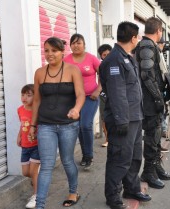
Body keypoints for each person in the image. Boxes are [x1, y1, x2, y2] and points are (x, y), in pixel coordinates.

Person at [100, 21, 151, 209]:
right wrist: (121, 120)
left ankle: (131, 187)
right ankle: (112, 196)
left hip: (135, 117)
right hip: (124, 120)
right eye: (137, 36)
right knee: (120, 158)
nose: (138, 40)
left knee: (135, 156)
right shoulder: (114, 60)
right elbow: (116, 92)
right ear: (133, 38)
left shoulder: (127, 57)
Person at [29, 37, 85, 209]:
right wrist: (32, 125)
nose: (50, 54)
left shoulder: (73, 70)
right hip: (46, 125)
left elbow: (81, 94)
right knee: (46, 165)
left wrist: (76, 109)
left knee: (67, 160)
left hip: (68, 124)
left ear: (62, 52)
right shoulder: (39, 72)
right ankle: (40, 205)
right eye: (46, 50)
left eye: (54, 50)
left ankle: (73, 191)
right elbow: (37, 101)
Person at [134, 17, 170, 190]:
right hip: (149, 100)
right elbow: (147, 76)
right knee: (151, 136)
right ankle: (148, 172)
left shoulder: (150, 45)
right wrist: (158, 98)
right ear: (159, 31)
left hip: (153, 98)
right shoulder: (147, 46)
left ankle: (155, 167)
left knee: (156, 134)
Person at [63, 33, 101, 170]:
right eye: (73, 43)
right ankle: (85, 155)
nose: (76, 45)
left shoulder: (92, 58)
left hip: (91, 98)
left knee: (86, 125)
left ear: (84, 45)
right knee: (78, 126)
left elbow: (103, 74)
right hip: (73, 99)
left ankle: (88, 155)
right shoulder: (66, 60)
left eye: (79, 43)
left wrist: (98, 91)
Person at [17, 84, 40, 209]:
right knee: (26, 173)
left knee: (33, 172)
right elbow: (22, 125)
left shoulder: (38, 111)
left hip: (36, 145)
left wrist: (37, 137)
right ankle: (38, 182)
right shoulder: (20, 109)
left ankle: (36, 195)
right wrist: (19, 136)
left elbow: (42, 128)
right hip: (25, 146)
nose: (25, 97)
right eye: (23, 94)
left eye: (29, 95)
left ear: (36, 97)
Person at [157, 38, 170, 150]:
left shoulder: (160, 54)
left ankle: (162, 133)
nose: (163, 46)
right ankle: (162, 133)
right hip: (157, 91)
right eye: (162, 44)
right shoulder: (155, 53)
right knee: (159, 115)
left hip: (162, 89)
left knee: (163, 112)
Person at [97, 44, 113, 147]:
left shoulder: (117, 64)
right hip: (103, 95)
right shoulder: (100, 66)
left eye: (109, 54)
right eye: (104, 55)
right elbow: (99, 81)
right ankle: (107, 139)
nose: (107, 56)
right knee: (104, 117)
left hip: (115, 95)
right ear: (101, 56)